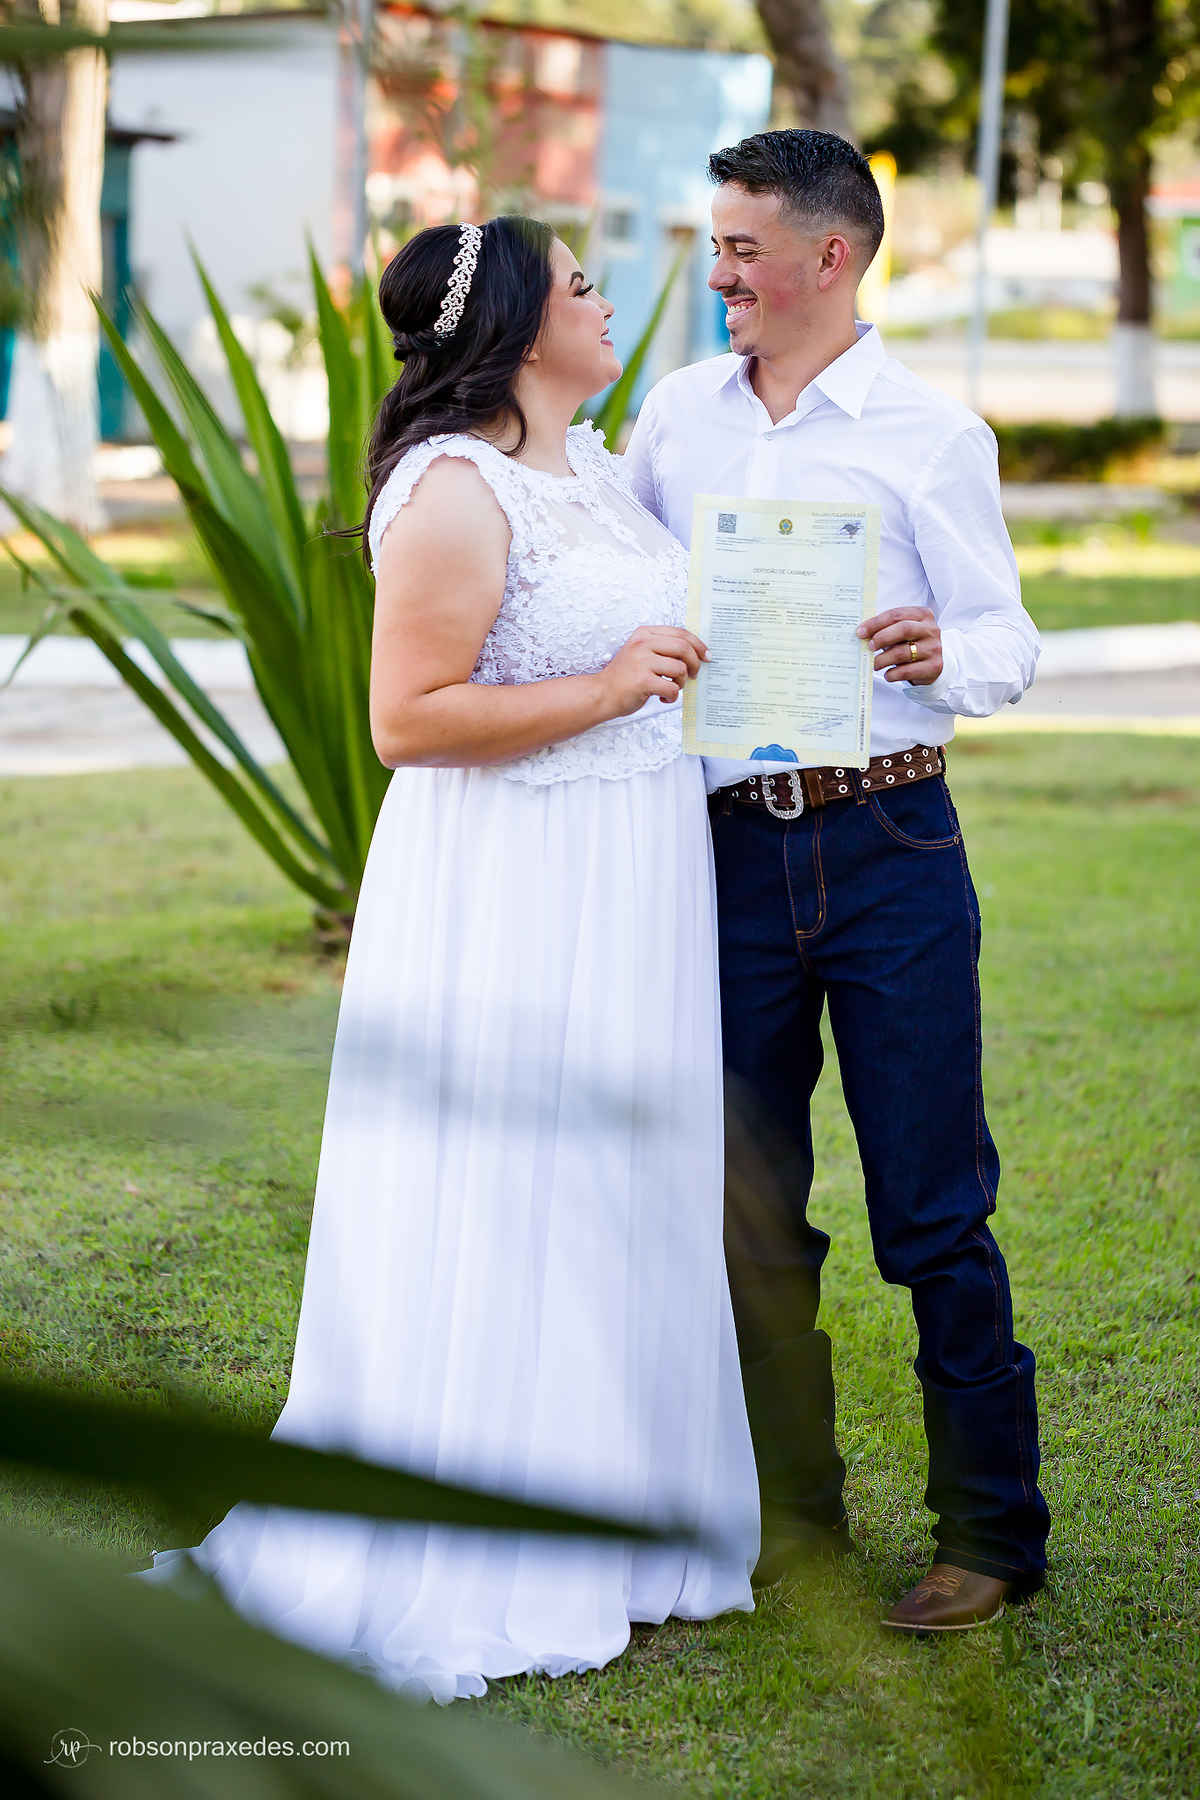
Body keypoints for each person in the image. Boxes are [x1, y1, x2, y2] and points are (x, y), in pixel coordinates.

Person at [142, 217, 759, 1699]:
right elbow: (407, 720)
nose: (610, 303)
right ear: (524, 329)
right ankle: (494, 1535)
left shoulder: (592, 466)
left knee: (621, 1170)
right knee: (516, 1177)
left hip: (632, 866)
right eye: (587, 286)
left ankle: (626, 1516)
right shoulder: (452, 489)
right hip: (520, 882)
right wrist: (611, 682)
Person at [625, 129, 1051, 1632]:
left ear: (831, 255)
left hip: (891, 847)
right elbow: (620, 576)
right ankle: (789, 1522)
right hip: (725, 849)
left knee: (933, 1205)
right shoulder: (676, 415)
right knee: (750, 1210)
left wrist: (949, 654)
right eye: (717, 242)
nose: (719, 272)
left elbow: (1007, 639)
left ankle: (991, 1535)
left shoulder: (932, 436)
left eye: (741, 247)